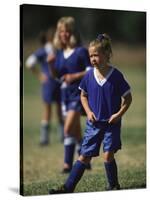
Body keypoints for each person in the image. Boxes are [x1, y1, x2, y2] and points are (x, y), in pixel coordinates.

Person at [49, 33, 132, 194]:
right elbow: (83, 95)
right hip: (93, 123)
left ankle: (113, 186)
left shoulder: (116, 76)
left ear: (107, 54)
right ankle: (67, 188)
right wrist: (88, 112)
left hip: (111, 124)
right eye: (91, 55)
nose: (93, 58)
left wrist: (119, 114)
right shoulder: (88, 76)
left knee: (108, 156)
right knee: (84, 156)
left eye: (96, 55)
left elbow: (128, 98)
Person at [51, 16, 92, 173]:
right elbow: (57, 76)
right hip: (65, 96)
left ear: (72, 32)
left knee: (67, 129)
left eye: (67, 31)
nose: (64, 34)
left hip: (78, 94)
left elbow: (90, 71)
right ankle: (85, 157)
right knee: (75, 130)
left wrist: (74, 77)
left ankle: (67, 164)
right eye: (61, 31)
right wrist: (50, 64)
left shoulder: (81, 51)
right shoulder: (60, 53)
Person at [25, 29, 64, 145]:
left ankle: (62, 136)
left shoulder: (59, 51)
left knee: (59, 111)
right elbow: (29, 63)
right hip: (49, 85)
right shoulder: (44, 51)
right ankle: (45, 138)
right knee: (48, 111)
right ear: (52, 38)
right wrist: (40, 75)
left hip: (59, 84)